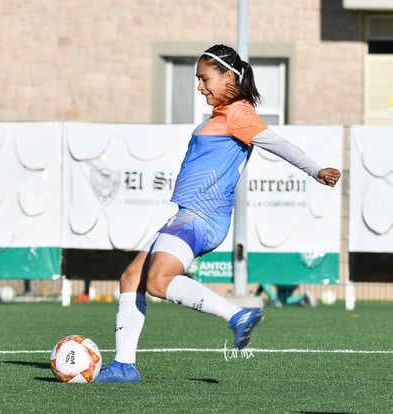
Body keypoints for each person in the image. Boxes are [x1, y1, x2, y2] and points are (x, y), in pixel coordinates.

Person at [96, 44, 341, 383]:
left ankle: (237, 315)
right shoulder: (222, 115)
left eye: (204, 78)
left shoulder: (239, 114)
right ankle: (124, 366)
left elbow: (278, 144)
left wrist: (315, 170)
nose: (200, 87)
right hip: (187, 215)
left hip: (201, 217)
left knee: (157, 281)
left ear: (229, 76)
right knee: (131, 279)